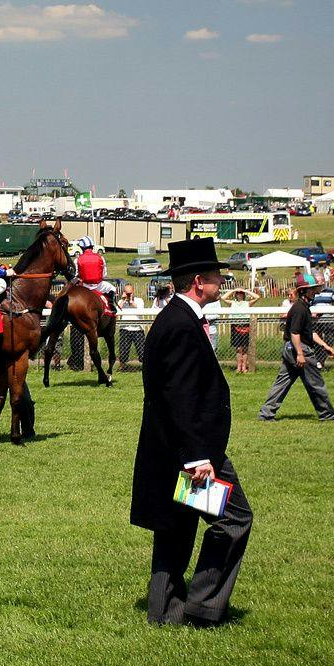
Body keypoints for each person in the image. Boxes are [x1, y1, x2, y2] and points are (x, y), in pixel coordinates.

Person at [131, 239, 252, 628]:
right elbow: (180, 397)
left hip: (175, 451)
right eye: (217, 276)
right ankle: (204, 606)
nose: (221, 280)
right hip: (193, 455)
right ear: (199, 282)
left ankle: (164, 609)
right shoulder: (182, 326)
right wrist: (198, 457)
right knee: (234, 519)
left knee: (176, 526)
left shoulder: (175, 319)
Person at [258, 281, 334, 421]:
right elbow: (295, 333)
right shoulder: (300, 309)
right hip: (299, 349)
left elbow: (309, 333)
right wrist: (300, 354)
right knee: (316, 383)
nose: (316, 292)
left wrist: (325, 346)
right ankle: (327, 415)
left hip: (291, 348)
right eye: (313, 289)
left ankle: (266, 414)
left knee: (282, 383)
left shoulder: (303, 307)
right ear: (304, 291)